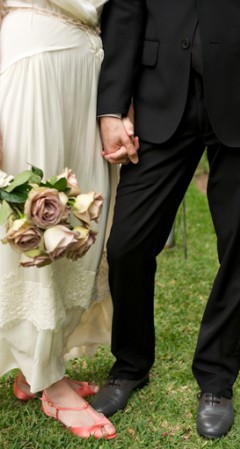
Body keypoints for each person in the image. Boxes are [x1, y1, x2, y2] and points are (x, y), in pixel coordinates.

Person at [89, 0, 240, 440]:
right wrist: (111, 107)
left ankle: (217, 379)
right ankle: (130, 364)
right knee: (126, 243)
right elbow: (125, 11)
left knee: (239, 249)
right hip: (160, 90)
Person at [0, 0, 118, 440]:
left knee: (80, 218)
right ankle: (50, 383)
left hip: (86, 74)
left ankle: (39, 367)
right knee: (33, 218)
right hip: (33, 62)